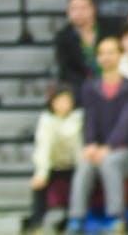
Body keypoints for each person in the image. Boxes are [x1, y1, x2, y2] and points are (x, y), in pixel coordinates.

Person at [67, 38, 128, 234]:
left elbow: (126, 122)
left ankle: (116, 217)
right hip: (98, 148)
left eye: (111, 52)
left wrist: (108, 146)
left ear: (120, 55)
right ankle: (76, 218)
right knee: (84, 163)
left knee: (109, 161)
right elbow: (89, 118)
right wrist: (90, 144)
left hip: (126, 151)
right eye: (102, 53)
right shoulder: (90, 87)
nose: (106, 57)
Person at [26, 85, 82, 234]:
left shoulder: (78, 118)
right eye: (59, 101)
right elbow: (43, 146)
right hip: (53, 165)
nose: (63, 105)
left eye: (66, 101)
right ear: (52, 103)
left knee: (80, 181)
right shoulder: (46, 120)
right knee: (39, 183)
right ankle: (36, 221)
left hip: (74, 164)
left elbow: (80, 146)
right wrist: (41, 173)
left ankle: (71, 220)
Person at [55, 0, 99, 86]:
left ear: (93, 9)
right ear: (68, 12)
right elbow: (65, 70)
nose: (79, 13)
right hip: (79, 86)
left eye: (83, 8)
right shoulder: (63, 37)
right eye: (74, 9)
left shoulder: (107, 30)